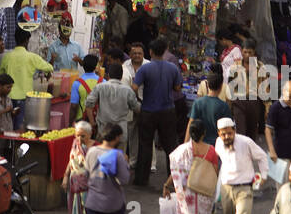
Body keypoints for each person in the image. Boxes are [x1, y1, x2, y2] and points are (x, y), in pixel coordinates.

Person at [163, 119, 221, 214]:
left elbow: (175, 172)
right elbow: (215, 172)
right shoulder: (211, 151)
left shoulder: (182, 151)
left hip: (187, 194)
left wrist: (166, 185)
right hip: (204, 195)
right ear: (204, 134)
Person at [80, 124, 139, 214]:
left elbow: (86, 173)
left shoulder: (92, 151)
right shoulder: (118, 156)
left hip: (93, 202)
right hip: (113, 204)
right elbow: (124, 179)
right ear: (117, 138)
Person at [215, 116, 268, 214]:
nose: (226, 137)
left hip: (244, 189)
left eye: (229, 133)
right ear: (218, 133)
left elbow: (262, 156)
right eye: (223, 134)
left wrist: (263, 176)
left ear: (235, 131)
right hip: (226, 189)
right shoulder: (218, 143)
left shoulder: (246, 142)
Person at [132, 37, 183, 186]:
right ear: (164, 50)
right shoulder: (173, 68)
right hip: (167, 111)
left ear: (151, 51)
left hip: (148, 110)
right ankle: (173, 179)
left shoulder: (145, 68)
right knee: (170, 147)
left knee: (145, 145)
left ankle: (142, 179)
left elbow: (134, 88)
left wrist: (139, 100)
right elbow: (178, 88)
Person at [0, 29, 51, 123]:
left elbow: (1, 76)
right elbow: (49, 68)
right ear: (27, 40)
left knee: (8, 126)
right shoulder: (32, 57)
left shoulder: (7, 57)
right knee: (20, 127)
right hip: (24, 98)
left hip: (8, 97)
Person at [62, 119, 94, 214]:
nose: (79, 139)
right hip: (74, 188)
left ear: (89, 135)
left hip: (88, 190)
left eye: (83, 136)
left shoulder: (94, 149)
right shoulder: (75, 144)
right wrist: (65, 176)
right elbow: (71, 160)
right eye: (77, 135)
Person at [86, 64, 140, 140]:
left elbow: (88, 104)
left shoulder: (100, 87)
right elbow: (136, 108)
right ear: (121, 76)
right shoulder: (128, 90)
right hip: (121, 133)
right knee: (120, 152)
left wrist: (92, 122)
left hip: (103, 131)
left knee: (103, 151)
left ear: (108, 75)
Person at [227, 37, 265, 142]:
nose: (247, 55)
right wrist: (229, 106)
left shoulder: (261, 67)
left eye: (250, 52)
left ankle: (250, 156)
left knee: (252, 134)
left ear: (254, 53)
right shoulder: (235, 67)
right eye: (245, 52)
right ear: (242, 52)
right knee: (240, 133)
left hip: (254, 103)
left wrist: (267, 108)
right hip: (239, 103)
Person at [265, 80, 291, 168]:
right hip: (281, 153)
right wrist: (271, 150)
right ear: (283, 91)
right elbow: (268, 130)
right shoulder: (275, 107)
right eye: (290, 93)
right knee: (283, 181)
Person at [189, 73, 230, 146]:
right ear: (221, 87)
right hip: (217, 145)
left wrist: (185, 143)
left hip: (200, 143)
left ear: (207, 85)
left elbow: (190, 124)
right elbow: (227, 129)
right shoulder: (224, 106)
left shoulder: (197, 103)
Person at [70, 53, 102, 120]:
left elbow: (73, 106)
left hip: (81, 120)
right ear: (96, 67)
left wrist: (70, 123)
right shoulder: (103, 82)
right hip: (99, 119)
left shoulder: (77, 83)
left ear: (83, 66)